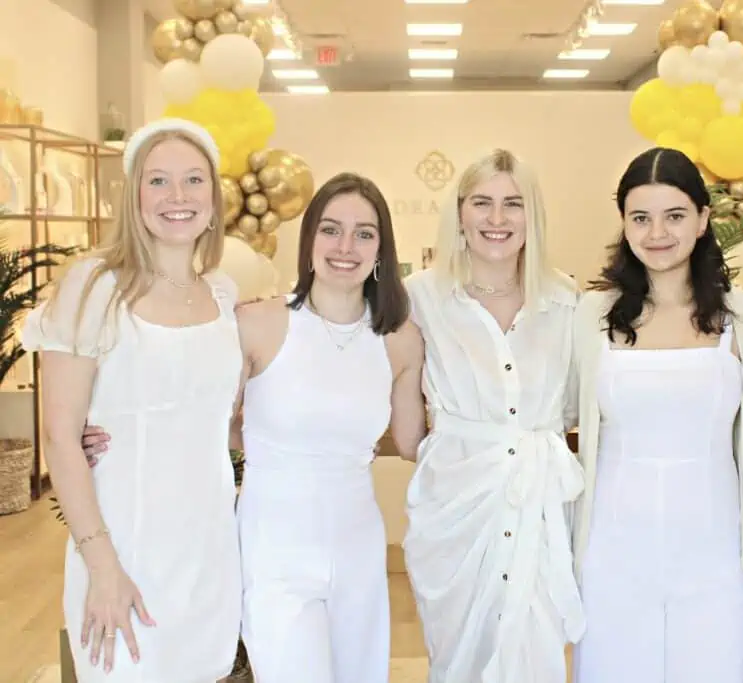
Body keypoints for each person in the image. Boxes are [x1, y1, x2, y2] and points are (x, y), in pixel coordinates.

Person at [80, 172, 426, 683]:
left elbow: (417, 441)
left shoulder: (400, 338)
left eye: (364, 233)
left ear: (381, 248)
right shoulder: (258, 323)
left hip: (359, 547)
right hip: (274, 547)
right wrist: (112, 431)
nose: (345, 247)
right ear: (309, 240)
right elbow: (198, 414)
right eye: (330, 230)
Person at [21, 118, 243, 681]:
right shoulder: (95, 286)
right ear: (133, 196)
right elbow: (60, 436)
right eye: (158, 181)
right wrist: (103, 567)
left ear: (214, 199)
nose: (178, 197)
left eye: (194, 180)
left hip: (208, 547)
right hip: (125, 545)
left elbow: (216, 419)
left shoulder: (222, 293)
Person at [570, 147, 743, 683]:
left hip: (716, 543)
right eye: (640, 217)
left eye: (674, 215)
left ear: (702, 219)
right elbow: (559, 413)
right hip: (613, 541)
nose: (657, 232)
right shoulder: (594, 314)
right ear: (624, 225)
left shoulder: (738, 313)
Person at [401, 148, 584, 683]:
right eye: (482, 203)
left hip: (539, 502)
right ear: (460, 213)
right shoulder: (420, 298)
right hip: (454, 506)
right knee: (459, 650)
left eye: (513, 204)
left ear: (534, 215)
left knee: (534, 646)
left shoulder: (565, 299)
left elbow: (574, 403)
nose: (497, 219)